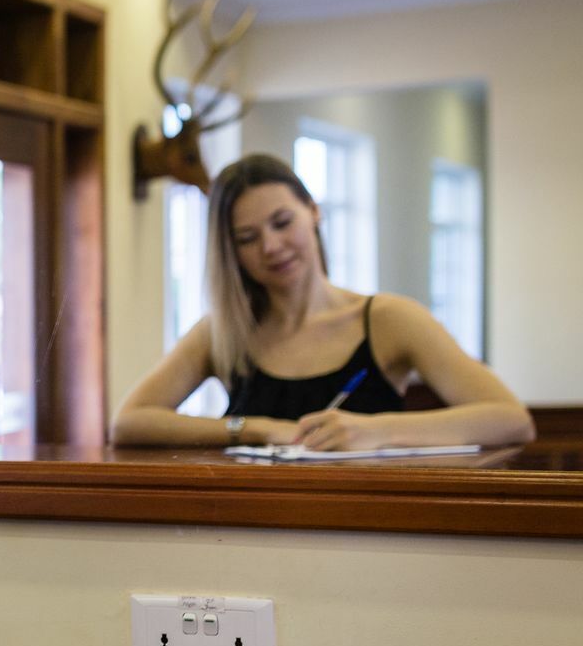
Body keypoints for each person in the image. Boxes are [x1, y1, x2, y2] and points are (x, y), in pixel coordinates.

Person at [113, 152, 534, 450]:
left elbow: (510, 419)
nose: (272, 247)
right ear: (231, 252)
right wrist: (257, 429)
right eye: (247, 238)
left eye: (282, 223)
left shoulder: (388, 320)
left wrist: (378, 431)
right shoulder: (224, 332)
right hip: (253, 537)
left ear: (314, 212)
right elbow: (129, 422)